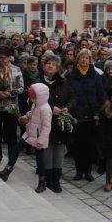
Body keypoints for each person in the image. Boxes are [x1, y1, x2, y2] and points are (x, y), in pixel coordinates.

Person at [0, 83, 52, 192]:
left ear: (40, 96)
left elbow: (47, 126)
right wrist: (26, 116)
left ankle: (42, 182)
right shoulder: (36, 104)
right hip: (29, 133)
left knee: (40, 160)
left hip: (38, 137)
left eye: (33, 97)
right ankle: (7, 171)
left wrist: (41, 140)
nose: (32, 99)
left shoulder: (45, 108)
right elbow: (32, 113)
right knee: (16, 149)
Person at [65, 49, 105, 181]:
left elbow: (101, 95)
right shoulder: (70, 76)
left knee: (90, 145)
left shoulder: (96, 76)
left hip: (92, 115)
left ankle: (87, 171)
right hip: (76, 115)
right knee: (77, 144)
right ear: (78, 59)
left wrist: (99, 112)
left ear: (90, 60)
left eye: (87, 58)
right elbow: (67, 95)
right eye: (82, 57)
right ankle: (79, 171)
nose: (84, 60)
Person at [40, 53, 75, 193]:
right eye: (48, 63)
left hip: (60, 123)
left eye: (54, 64)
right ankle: (48, 180)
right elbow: (33, 100)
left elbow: (73, 98)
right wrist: (50, 107)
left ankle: (56, 180)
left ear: (57, 68)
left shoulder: (64, 82)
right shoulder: (39, 82)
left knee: (59, 152)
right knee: (47, 151)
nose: (51, 66)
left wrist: (67, 107)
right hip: (45, 121)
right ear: (43, 66)